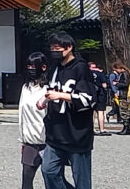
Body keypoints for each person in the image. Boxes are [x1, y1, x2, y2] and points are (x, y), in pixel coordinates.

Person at [37, 32, 95, 189]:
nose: (54, 52)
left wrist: (61, 95)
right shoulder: (55, 68)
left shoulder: (81, 68)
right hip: (55, 131)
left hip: (77, 133)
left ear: (69, 48)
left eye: (57, 48)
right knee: (48, 170)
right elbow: (52, 90)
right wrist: (46, 99)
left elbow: (88, 99)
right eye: (52, 49)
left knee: (81, 180)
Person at [19, 52, 50, 189]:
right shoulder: (25, 88)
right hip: (30, 141)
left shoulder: (48, 89)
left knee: (53, 179)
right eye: (29, 66)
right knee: (26, 181)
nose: (31, 69)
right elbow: (21, 114)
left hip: (48, 142)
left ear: (43, 67)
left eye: (33, 66)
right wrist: (23, 140)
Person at [87, 61, 110, 136]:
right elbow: (104, 85)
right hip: (100, 94)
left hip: (90, 94)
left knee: (92, 112)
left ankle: (91, 129)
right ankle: (102, 129)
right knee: (100, 112)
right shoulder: (100, 74)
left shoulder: (87, 74)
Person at [111, 62, 130, 135]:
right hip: (124, 94)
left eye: (116, 69)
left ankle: (126, 128)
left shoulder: (124, 74)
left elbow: (126, 84)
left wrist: (117, 84)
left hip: (124, 94)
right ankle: (126, 128)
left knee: (124, 112)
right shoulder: (126, 73)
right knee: (124, 111)